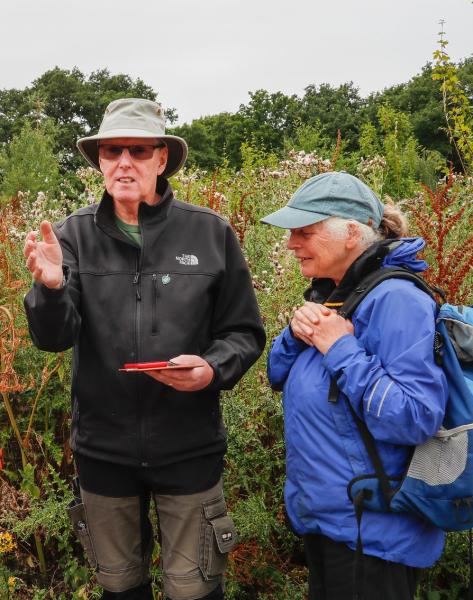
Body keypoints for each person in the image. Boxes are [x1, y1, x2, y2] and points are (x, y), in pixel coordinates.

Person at [23, 98, 266, 600]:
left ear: (162, 159)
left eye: (138, 149)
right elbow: (53, 338)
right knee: (119, 589)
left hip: (189, 447)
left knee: (194, 590)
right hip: (103, 451)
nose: (124, 161)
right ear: (100, 162)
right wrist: (49, 288)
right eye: (112, 151)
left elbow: (244, 332)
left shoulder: (210, 231)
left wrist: (211, 369)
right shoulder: (71, 236)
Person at [261, 171, 448, 600]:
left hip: (376, 538)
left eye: (304, 232)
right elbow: (277, 375)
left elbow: (415, 417)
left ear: (350, 233)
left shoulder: (396, 299)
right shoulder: (335, 293)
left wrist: (340, 348)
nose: (291, 244)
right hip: (334, 525)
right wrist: (296, 332)